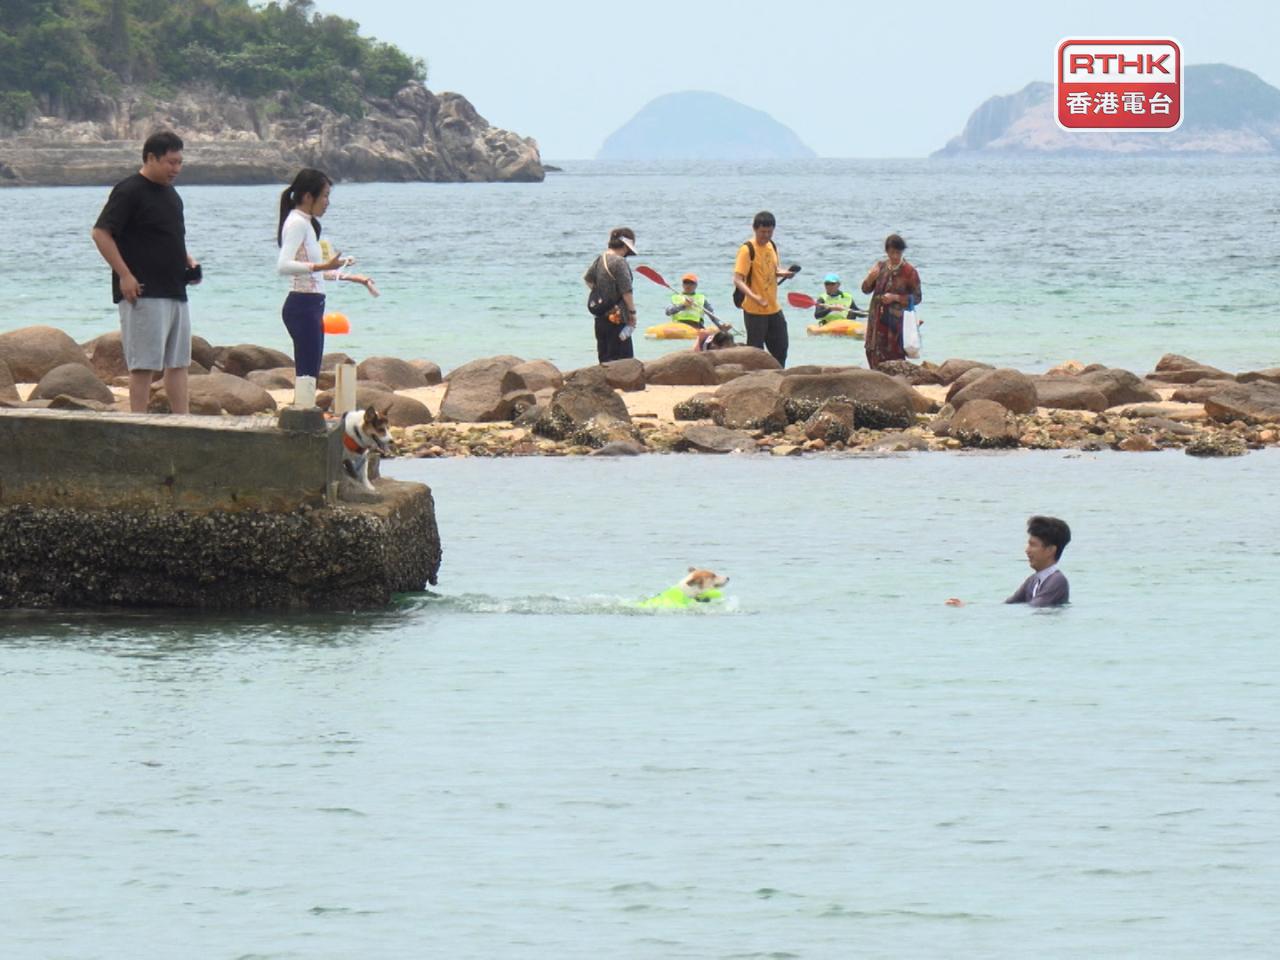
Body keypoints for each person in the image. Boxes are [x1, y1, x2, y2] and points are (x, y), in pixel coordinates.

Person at [91, 130, 201, 414]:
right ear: (151, 158)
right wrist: (124, 275)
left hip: (175, 289)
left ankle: (184, 422)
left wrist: (187, 260)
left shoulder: (172, 195)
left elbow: (168, 236)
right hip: (143, 290)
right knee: (143, 365)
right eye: (171, 162)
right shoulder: (129, 190)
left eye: (179, 162)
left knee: (179, 363)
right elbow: (101, 233)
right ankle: (137, 422)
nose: (176, 169)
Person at [276, 168, 378, 407]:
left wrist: (354, 278)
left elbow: (317, 271)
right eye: (324, 196)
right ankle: (301, 415)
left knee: (311, 369)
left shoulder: (308, 224)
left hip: (311, 304)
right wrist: (323, 265)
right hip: (301, 305)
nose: (327, 202)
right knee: (307, 371)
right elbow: (283, 265)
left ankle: (303, 413)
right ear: (308, 197)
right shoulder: (297, 223)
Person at [946, 515, 1071, 608]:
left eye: (1033, 545)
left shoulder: (1057, 581)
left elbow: (1035, 608)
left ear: (1050, 550)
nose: (1027, 550)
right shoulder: (1033, 580)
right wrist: (968, 606)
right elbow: (1007, 606)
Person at [733, 211, 796, 367]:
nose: (766, 235)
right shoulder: (747, 249)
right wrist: (755, 297)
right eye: (762, 232)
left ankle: (779, 375)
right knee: (756, 353)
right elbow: (737, 280)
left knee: (781, 348)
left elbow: (773, 270)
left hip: (773, 307)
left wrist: (784, 273)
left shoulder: (771, 246)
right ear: (755, 229)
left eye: (769, 232)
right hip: (754, 309)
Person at [860, 233, 922, 369]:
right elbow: (865, 289)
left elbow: (917, 297)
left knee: (894, 354)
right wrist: (870, 278)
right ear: (886, 251)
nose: (894, 256)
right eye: (892, 252)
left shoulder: (909, 272)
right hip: (876, 319)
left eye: (898, 253)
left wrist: (895, 298)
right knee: (872, 350)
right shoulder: (880, 267)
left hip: (895, 323)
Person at [583, 227, 639, 364]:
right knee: (623, 363)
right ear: (625, 246)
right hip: (618, 318)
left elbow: (588, 279)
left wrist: (602, 294)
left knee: (605, 360)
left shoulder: (600, 259)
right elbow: (626, 291)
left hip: (601, 318)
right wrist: (632, 312)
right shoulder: (619, 262)